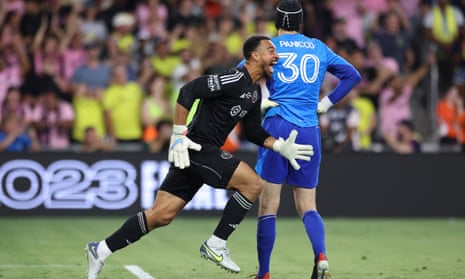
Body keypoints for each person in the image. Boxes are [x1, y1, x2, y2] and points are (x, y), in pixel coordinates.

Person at [85, 35, 314, 279]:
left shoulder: (254, 92)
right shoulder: (235, 78)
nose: (276, 56)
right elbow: (189, 90)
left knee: (161, 215)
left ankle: (100, 250)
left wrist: (280, 146)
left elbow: (254, 132)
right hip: (195, 147)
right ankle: (216, 243)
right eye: (270, 50)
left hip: (197, 153)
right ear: (255, 56)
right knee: (253, 183)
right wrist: (178, 135)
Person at [253, 1, 361, 279]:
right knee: (308, 206)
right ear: (301, 23)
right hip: (309, 129)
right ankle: (321, 256)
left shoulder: (269, 46)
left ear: (277, 21)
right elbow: (353, 75)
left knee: (269, 206)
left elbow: (241, 76)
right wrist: (326, 103)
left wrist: (261, 101)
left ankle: (264, 273)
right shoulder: (318, 47)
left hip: (277, 126)